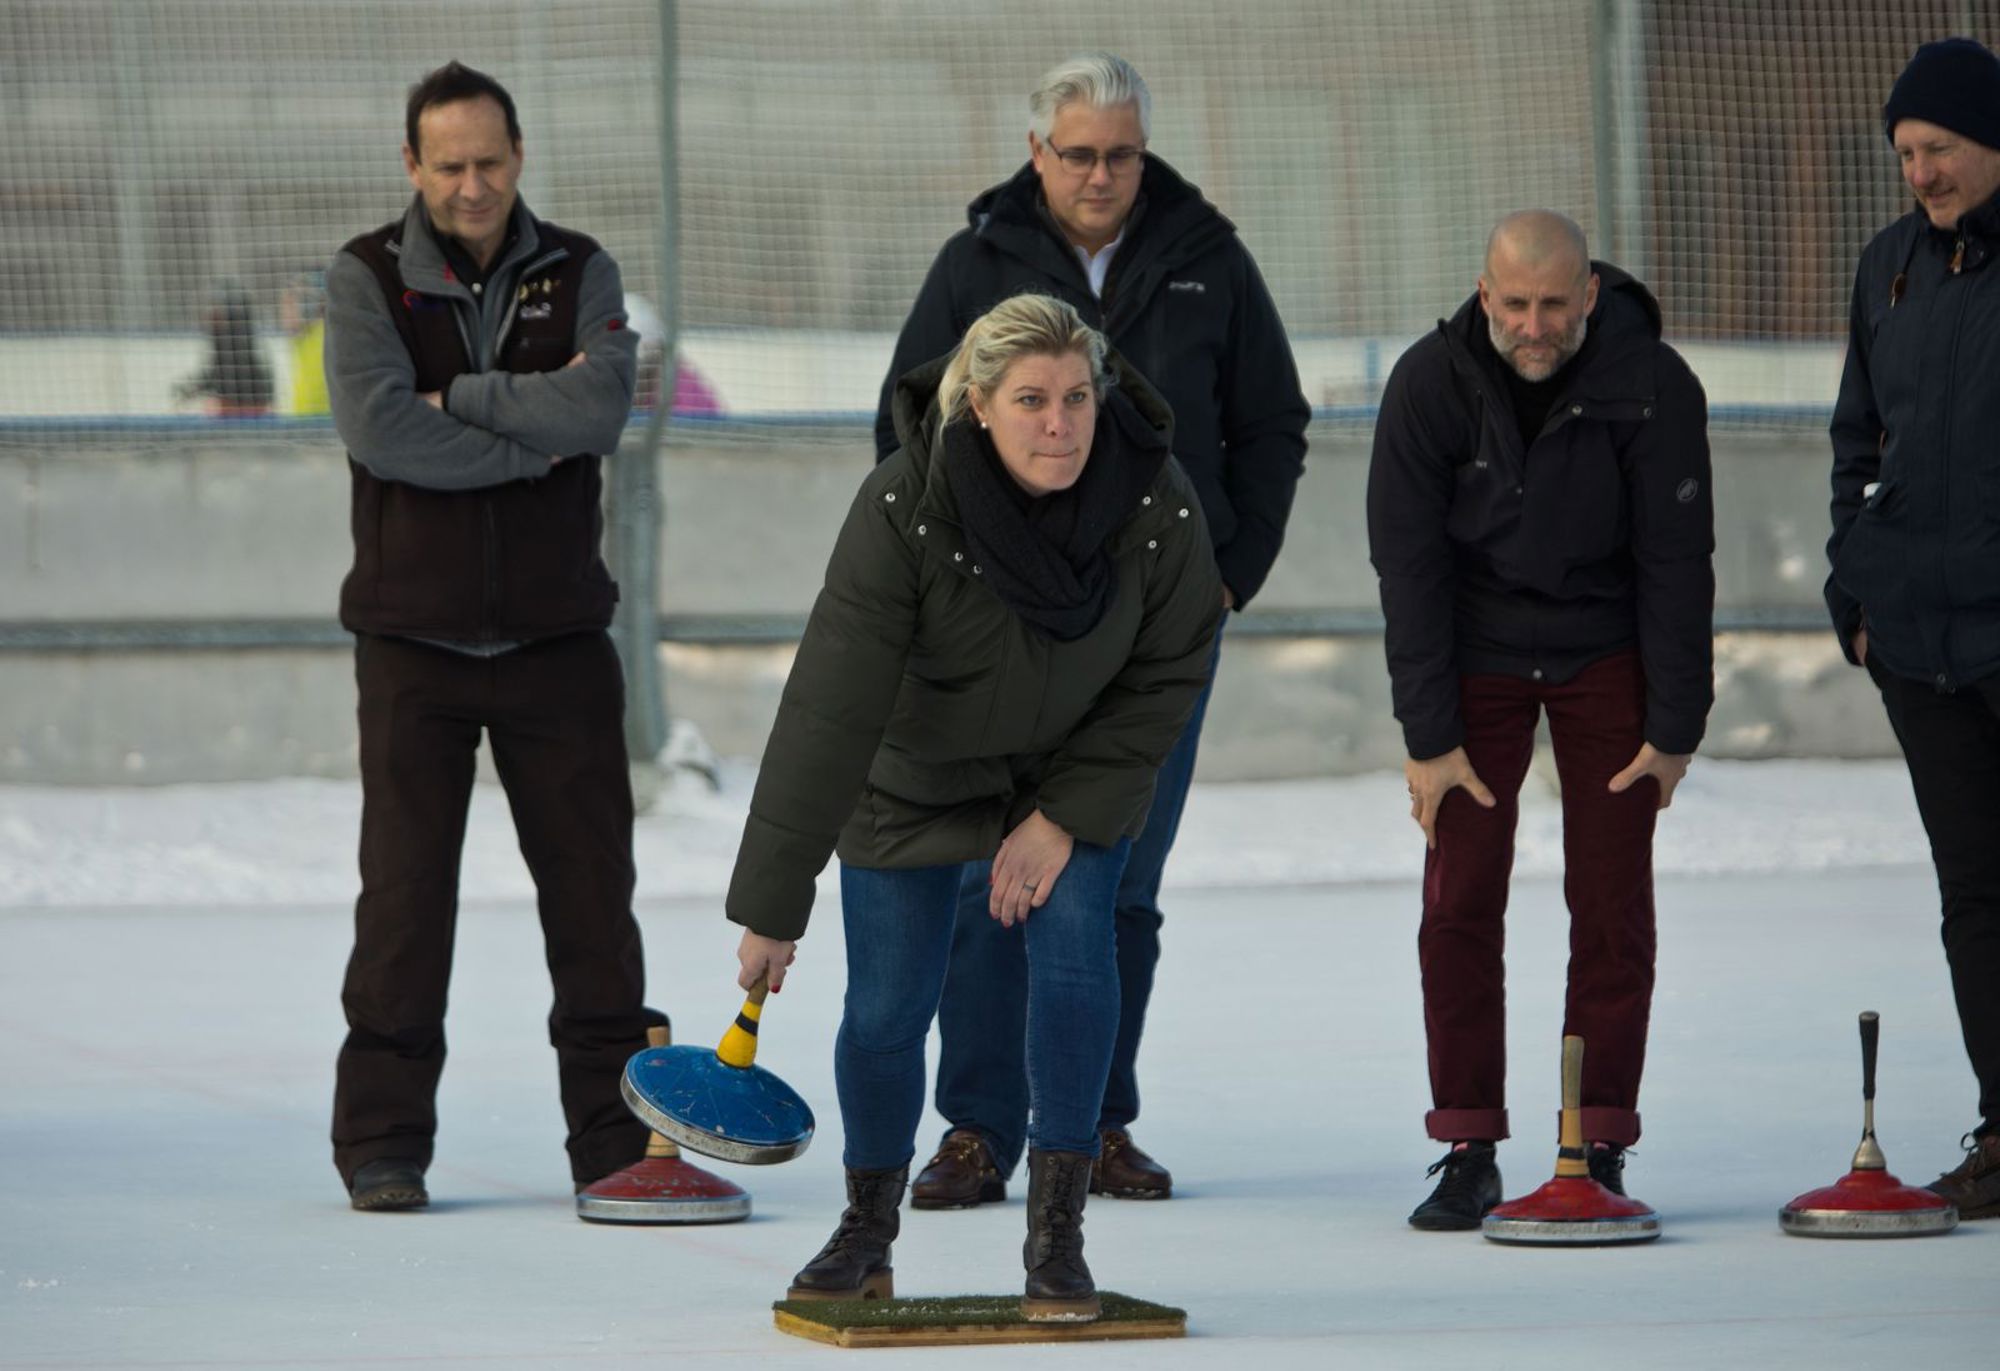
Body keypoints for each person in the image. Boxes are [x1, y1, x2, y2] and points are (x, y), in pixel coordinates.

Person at [731, 294, 1223, 1320]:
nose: (1061, 423)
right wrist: (773, 904)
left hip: (1067, 772)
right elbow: (829, 707)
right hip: (915, 771)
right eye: (1032, 400)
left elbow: (1170, 668)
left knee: (1076, 957)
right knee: (884, 1010)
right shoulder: (905, 503)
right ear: (979, 405)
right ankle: (865, 1228)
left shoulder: (1154, 498)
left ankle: (1056, 1236)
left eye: (1077, 397)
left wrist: (1063, 815)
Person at [875, 52, 1308, 1208]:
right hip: (998, 636)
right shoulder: (975, 265)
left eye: (1121, 154)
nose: (1100, 175)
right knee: (988, 879)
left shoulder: (1209, 261)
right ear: (1036, 153)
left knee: (1117, 884)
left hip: (1158, 634)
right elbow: (905, 424)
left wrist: (1229, 575)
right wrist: (949, 581)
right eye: (1078, 155)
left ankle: (1097, 1121)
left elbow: (1271, 422)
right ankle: (976, 1130)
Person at [322, 60, 665, 1215]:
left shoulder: (580, 268)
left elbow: (600, 409)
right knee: (402, 905)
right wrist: (531, 428)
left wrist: (459, 400)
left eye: (489, 163)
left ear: (519, 157)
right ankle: (382, 1141)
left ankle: (612, 1138)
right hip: (411, 645)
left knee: (593, 903)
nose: (471, 186)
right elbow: (380, 432)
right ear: (411, 164)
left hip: (556, 639)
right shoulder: (367, 277)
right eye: (449, 166)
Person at [1366, 210, 1714, 1230]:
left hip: (1603, 650)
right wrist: (1429, 738)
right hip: (1476, 653)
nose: (1532, 325)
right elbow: (1408, 569)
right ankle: (1467, 1143)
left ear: (1589, 294)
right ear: (1483, 294)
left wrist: (1675, 725)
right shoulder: (1428, 384)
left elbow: (1676, 560)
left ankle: (1593, 1141)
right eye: (1513, 303)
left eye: (1554, 304)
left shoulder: (1653, 384)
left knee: (1610, 901)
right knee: (1458, 898)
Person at [1826, 36, 2000, 1220]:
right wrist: (1855, 593)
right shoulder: (1887, 265)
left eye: (1937, 148)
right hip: (1918, 650)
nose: (1919, 172)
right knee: (1973, 900)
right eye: (1903, 153)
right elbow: (1855, 437)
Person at [174, 281, 272, 416]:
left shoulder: (235, 341)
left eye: (216, 309)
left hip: (246, 406)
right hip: (245, 404)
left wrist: (197, 389)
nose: (209, 316)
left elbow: (223, 376)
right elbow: (217, 373)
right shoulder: (228, 339)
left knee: (212, 406)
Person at [280, 268, 329, 417]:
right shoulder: (304, 332)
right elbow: (291, 321)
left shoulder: (330, 330)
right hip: (303, 415)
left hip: (328, 416)